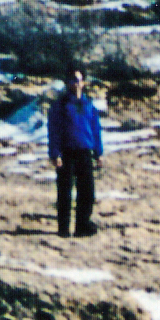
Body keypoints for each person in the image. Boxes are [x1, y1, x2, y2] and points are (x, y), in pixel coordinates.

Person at [47, 65, 102, 238]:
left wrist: (98, 153)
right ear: (67, 83)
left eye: (78, 80)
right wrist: (55, 153)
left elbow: (96, 129)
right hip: (66, 152)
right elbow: (54, 130)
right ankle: (63, 228)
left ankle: (82, 225)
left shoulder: (89, 105)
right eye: (72, 80)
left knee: (87, 192)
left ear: (83, 83)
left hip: (85, 152)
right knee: (65, 192)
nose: (76, 84)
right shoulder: (60, 105)